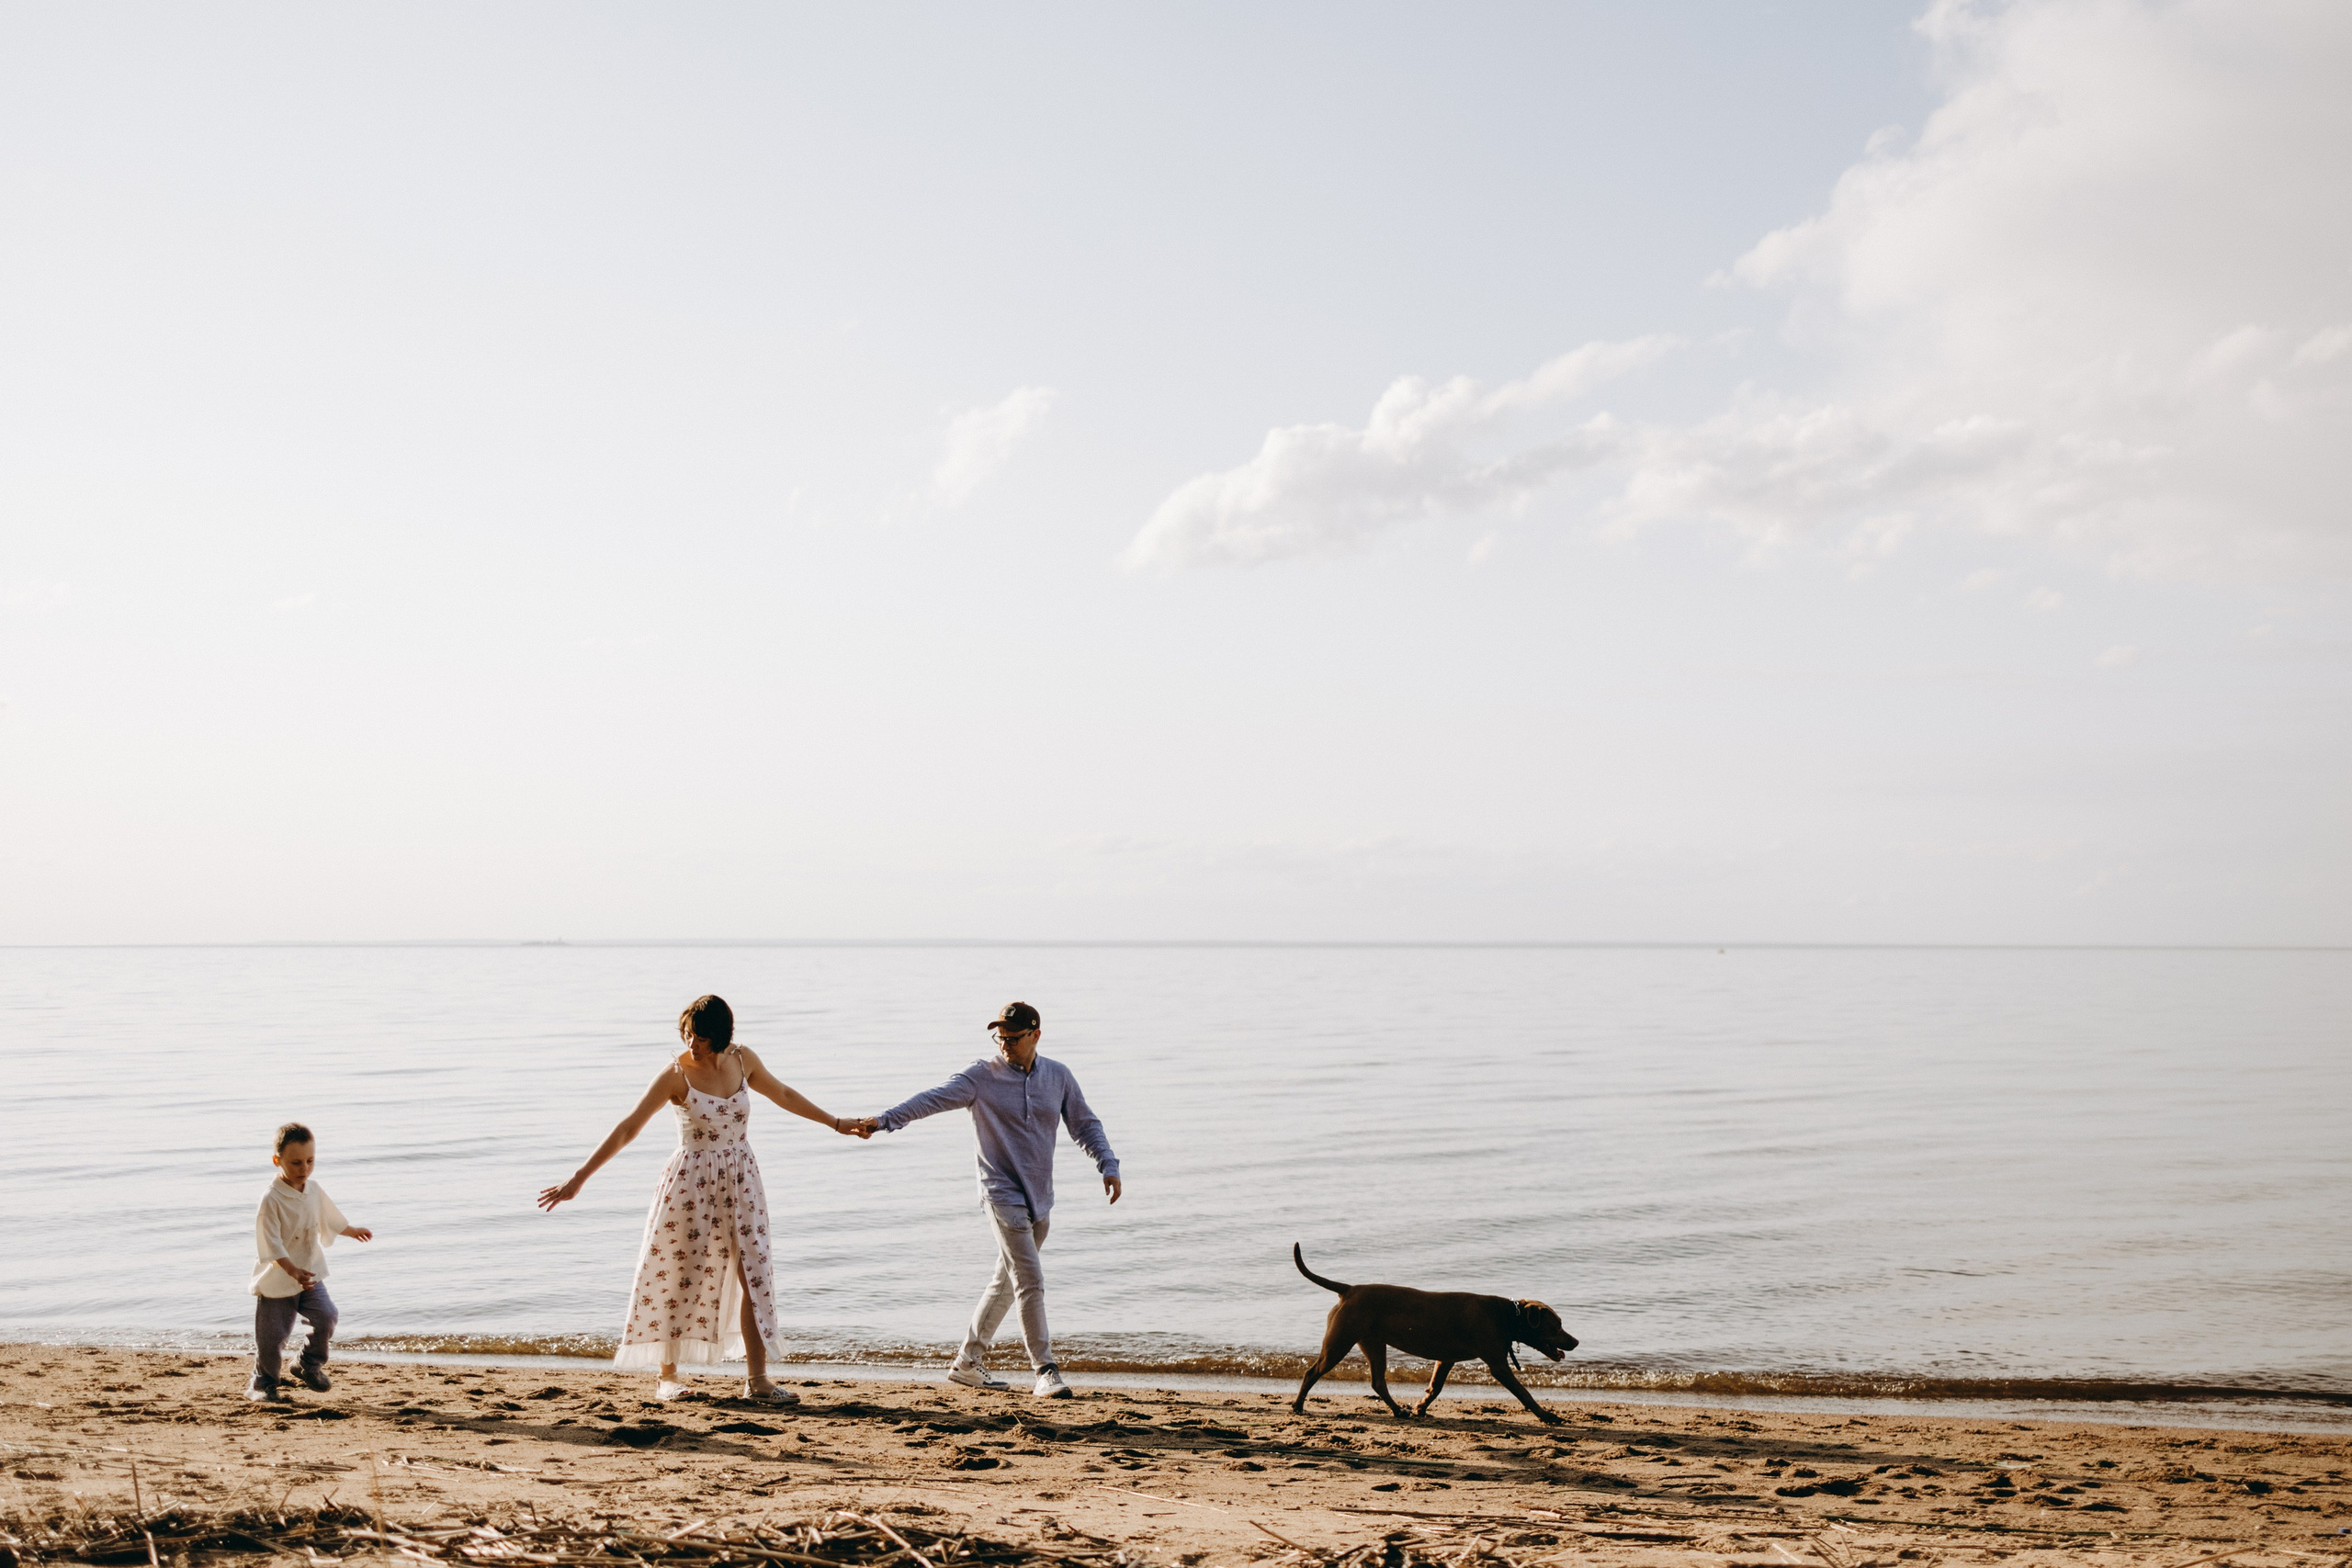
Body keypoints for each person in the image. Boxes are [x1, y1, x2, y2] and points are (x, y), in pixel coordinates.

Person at [538, 994, 860, 1403]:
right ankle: (668, 1377)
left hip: (743, 1179)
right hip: (691, 1183)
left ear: (721, 1036)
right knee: (677, 1271)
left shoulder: (744, 1061)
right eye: (688, 1035)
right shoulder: (676, 1075)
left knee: (754, 1274)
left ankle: (758, 1381)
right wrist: (579, 1178)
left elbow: (784, 1094)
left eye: (701, 1038)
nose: (692, 1044)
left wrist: (836, 1123)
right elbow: (628, 1127)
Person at [848, 1001, 1121, 1399]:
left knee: (1006, 1283)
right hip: (1000, 1194)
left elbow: (1084, 1124)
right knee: (1030, 1280)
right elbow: (931, 1099)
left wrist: (1107, 1163)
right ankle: (1045, 1370)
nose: (1005, 1044)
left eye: (1013, 1037)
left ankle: (967, 1363)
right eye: (1000, 1037)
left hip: (1039, 1198)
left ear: (1035, 1035)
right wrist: (883, 1120)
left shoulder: (1058, 1076)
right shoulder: (982, 1076)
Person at [248, 1122, 372, 1403]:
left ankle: (307, 1364)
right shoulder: (271, 1199)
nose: (304, 1168)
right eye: (295, 1163)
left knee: (326, 1316)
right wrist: (290, 1269)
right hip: (278, 1279)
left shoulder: (313, 1189)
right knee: (271, 1338)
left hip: (310, 1272)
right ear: (277, 1161)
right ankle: (263, 1383)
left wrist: (350, 1230)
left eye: (310, 1161)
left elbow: (326, 1216)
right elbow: (270, 1242)